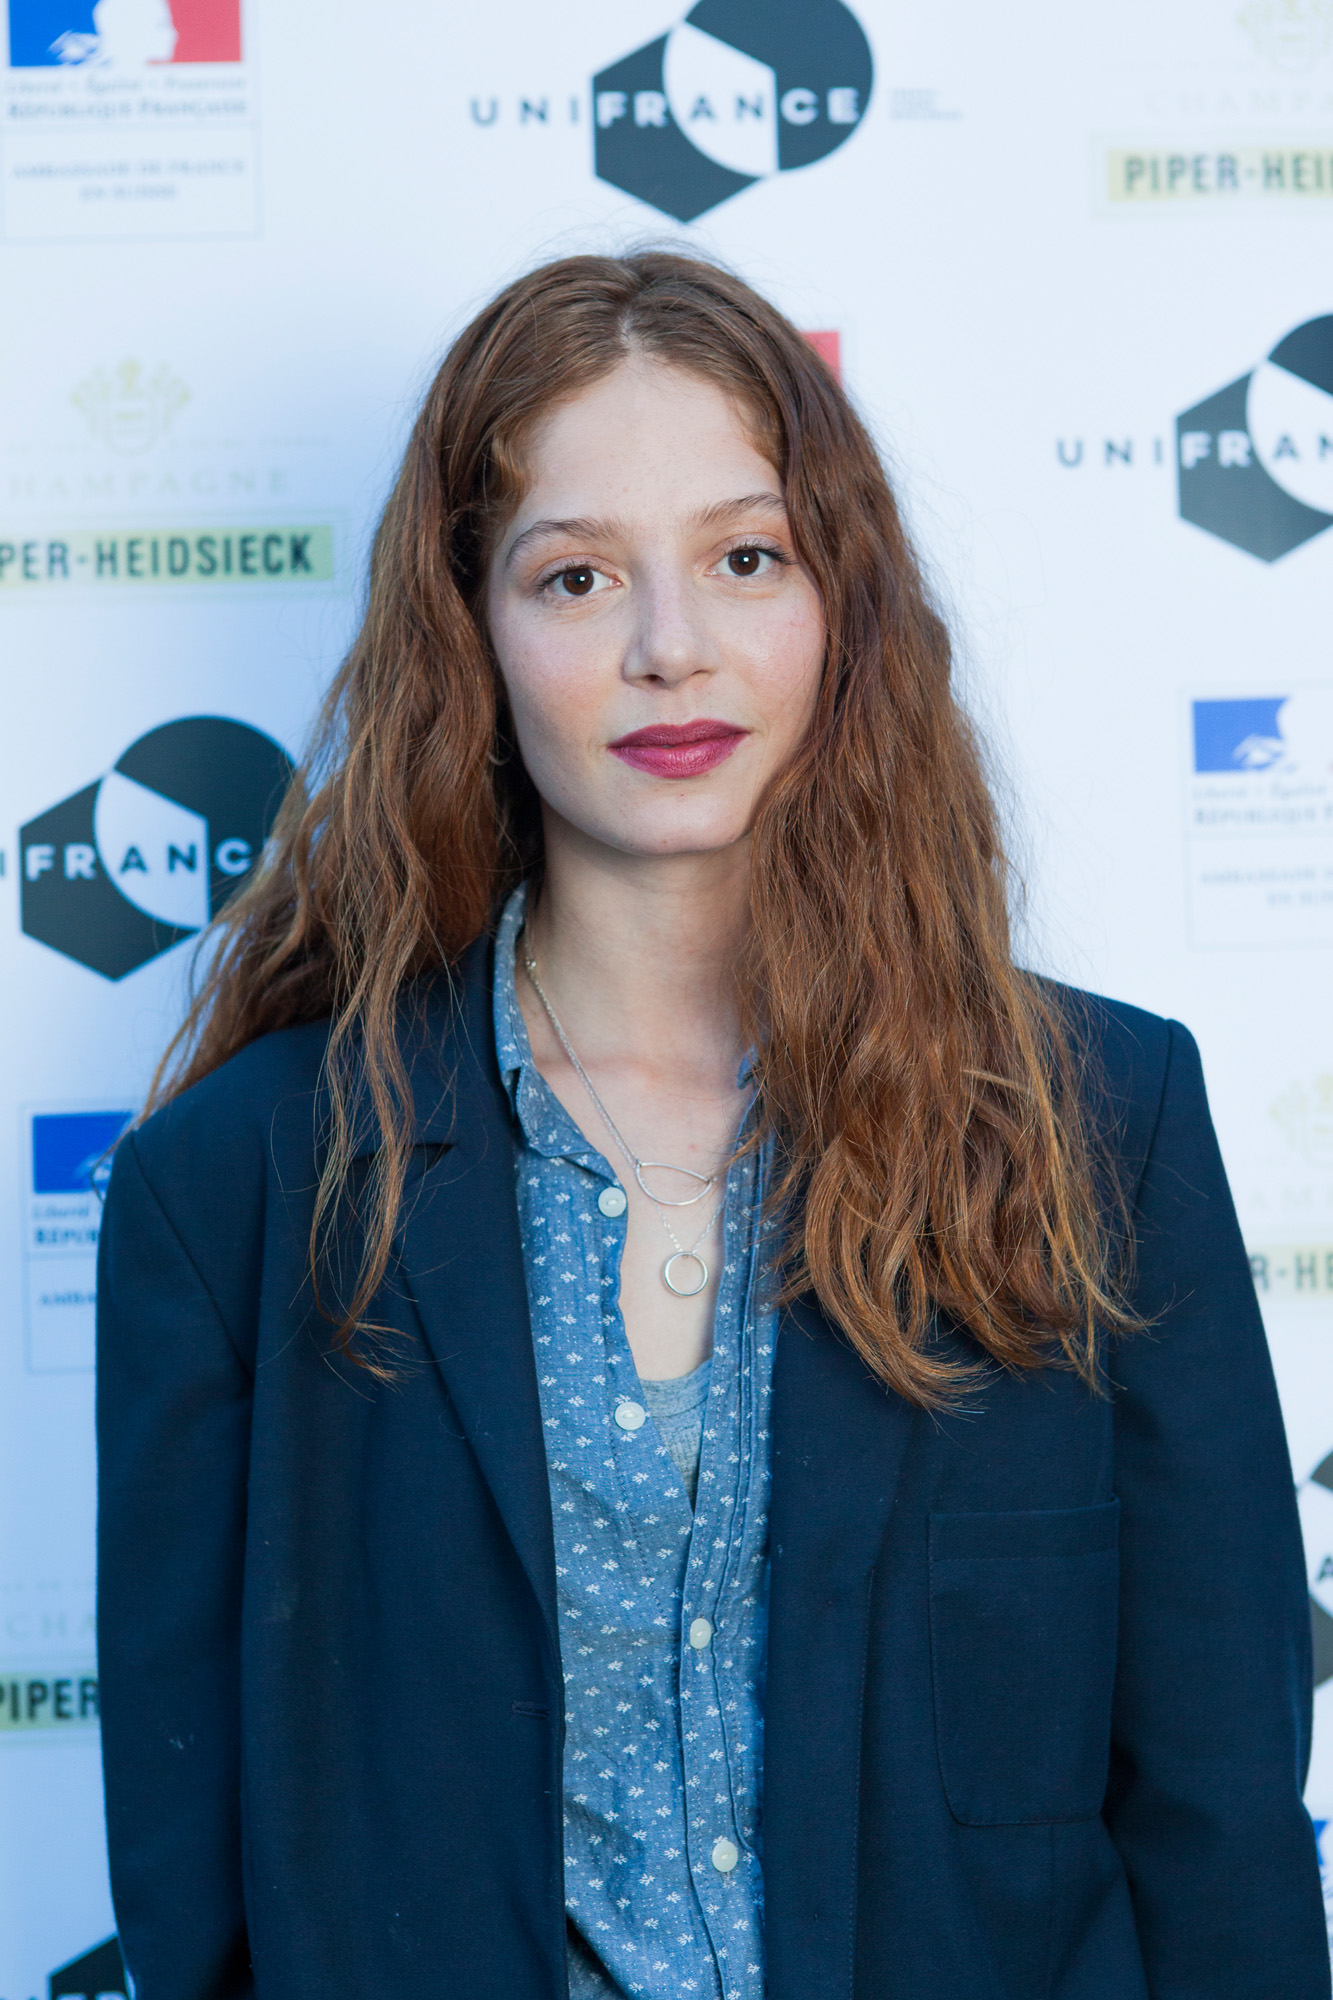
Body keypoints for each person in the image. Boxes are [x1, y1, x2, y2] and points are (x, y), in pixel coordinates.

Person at [95, 252, 1329, 2000]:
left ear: (840, 604)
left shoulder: (1091, 1127)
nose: (671, 648)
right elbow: (193, 1885)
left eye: (744, 558)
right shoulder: (233, 1190)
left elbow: (1218, 1832)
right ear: (472, 629)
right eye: (578, 574)